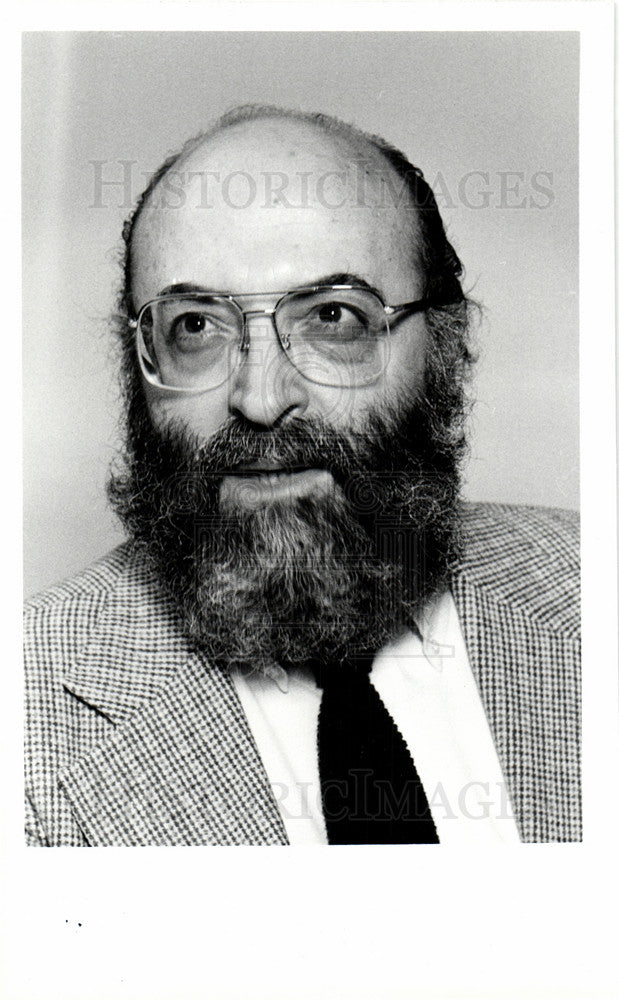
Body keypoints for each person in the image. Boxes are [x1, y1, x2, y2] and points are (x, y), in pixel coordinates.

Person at [24, 104, 580, 846]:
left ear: (443, 346)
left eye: (333, 318)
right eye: (194, 326)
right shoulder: (27, 705)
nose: (259, 398)